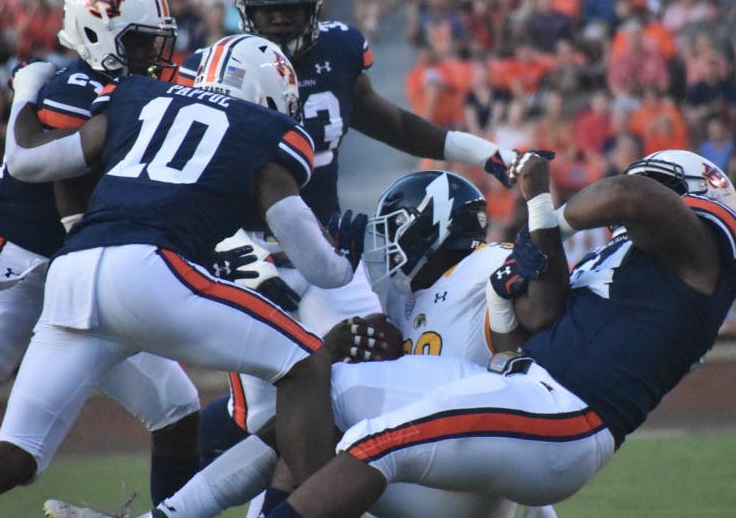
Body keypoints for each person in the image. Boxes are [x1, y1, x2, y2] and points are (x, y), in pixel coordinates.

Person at [0, 34, 360, 518]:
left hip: (72, 273)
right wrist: (345, 255)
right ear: (271, 97)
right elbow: (318, 267)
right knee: (305, 361)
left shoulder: (136, 96)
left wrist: (27, 92)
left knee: (17, 452)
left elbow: (30, 162)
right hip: (149, 270)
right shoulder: (264, 131)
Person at [174, 0, 542, 470]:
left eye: (292, 11)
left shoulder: (339, 52)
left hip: (326, 249)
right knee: (259, 416)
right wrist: (228, 253)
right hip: (245, 251)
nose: (279, 25)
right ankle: (197, 502)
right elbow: (194, 180)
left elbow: (392, 123)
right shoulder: (213, 71)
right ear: (244, 11)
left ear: (317, 7)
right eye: (268, 13)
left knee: (382, 358)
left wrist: (488, 155)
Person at [262, 148, 736, 517]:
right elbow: (532, 334)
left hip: (568, 413)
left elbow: (625, 194)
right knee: (319, 380)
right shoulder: (632, 272)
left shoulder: (705, 259)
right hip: (529, 393)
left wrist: (546, 215)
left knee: (379, 441)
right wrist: (501, 300)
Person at [51, 170, 557, 518]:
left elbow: (536, 307)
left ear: (432, 228)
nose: (384, 247)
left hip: (460, 480)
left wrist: (542, 220)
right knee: (311, 412)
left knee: (317, 405)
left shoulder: (484, 266)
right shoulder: (410, 299)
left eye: (393, 232)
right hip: (441, 468)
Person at [0, 0, 203, 505]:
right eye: (140, 42)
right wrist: (26, 96)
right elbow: (35, 163)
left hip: (85, 279)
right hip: (18, 270)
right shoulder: (76, 87)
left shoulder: (132, 91)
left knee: (176, 407)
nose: (154, 53)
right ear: (97, 36)